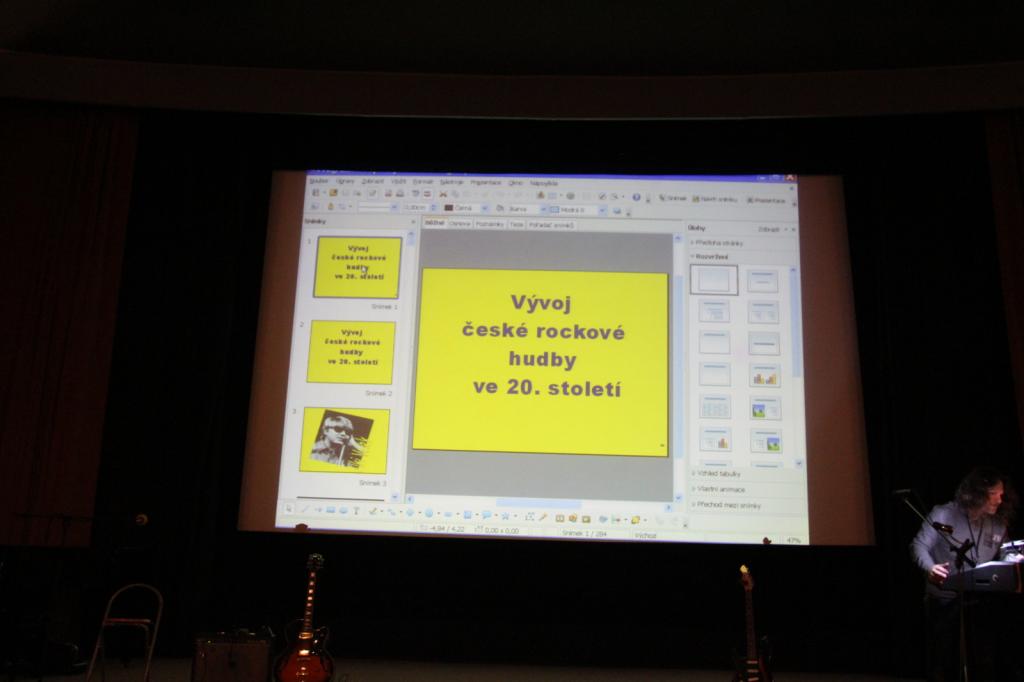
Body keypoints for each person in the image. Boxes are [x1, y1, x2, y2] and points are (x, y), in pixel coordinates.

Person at [910, 466, 1019, 681]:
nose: (999, 500)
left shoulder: (998, 521)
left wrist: (1013, 558)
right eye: (993, 494)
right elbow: (918, 545)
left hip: (981, 601)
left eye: (1001, 494)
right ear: (976, 493)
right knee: (942, 661)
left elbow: (1006, 552)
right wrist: (930, 568)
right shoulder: (943, 513)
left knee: (984, 658)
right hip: (944, 600)